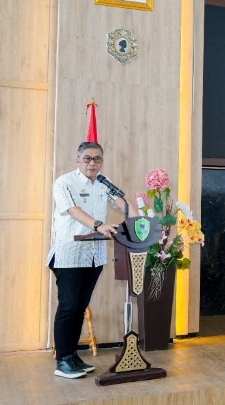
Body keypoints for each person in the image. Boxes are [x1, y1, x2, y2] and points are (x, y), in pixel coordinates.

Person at [46, 142, 128, 379]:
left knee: (80, 308)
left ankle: (72, 356)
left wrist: (142, 220)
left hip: (94, 255)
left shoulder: (103, 182)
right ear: (78, 160)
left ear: (102, 161)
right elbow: (72, 211)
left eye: (97, 159)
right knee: (68, 306)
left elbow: (121, 203)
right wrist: (99, 225)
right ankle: (63, 360)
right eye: (87, 158)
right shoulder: (64, 182)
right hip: (69, 254)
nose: (92, 163)